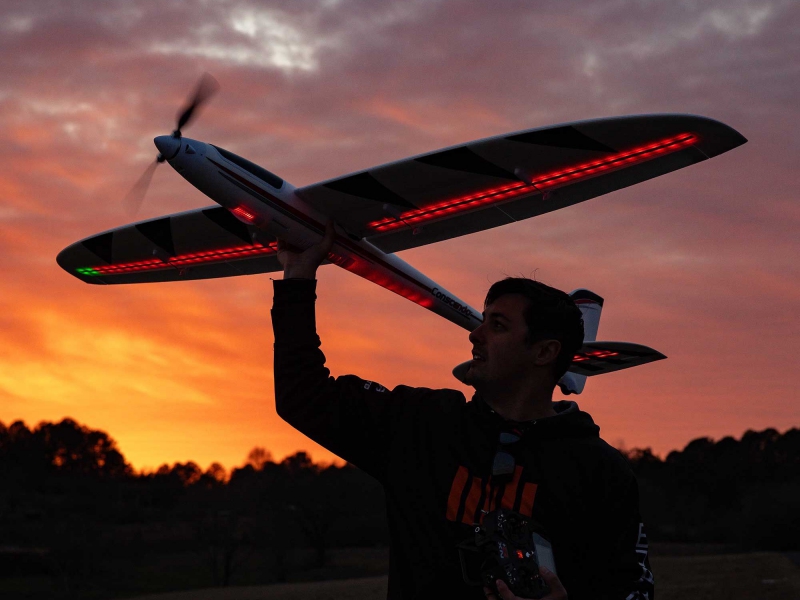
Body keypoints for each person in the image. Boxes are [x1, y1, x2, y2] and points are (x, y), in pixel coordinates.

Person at [272, 222, 654, 600]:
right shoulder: (420, 424)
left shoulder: (600, 471)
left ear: (543, 352)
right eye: (483, 321)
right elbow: (304, 396)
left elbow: (634, 591)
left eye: (497, 326)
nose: (475, 334)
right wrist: (298, 276)